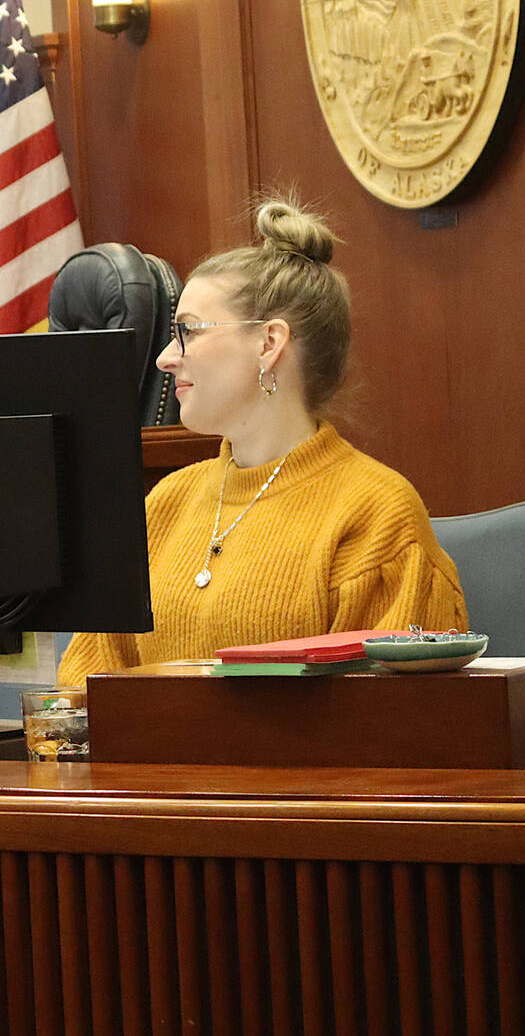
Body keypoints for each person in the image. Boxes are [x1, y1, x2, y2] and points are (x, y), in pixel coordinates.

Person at [58, 199, 466, 688]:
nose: (166, 357)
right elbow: (83, 695)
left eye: (187, 331)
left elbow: (388, 728)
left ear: (269, 343)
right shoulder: (162, 506)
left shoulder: (376, 513)